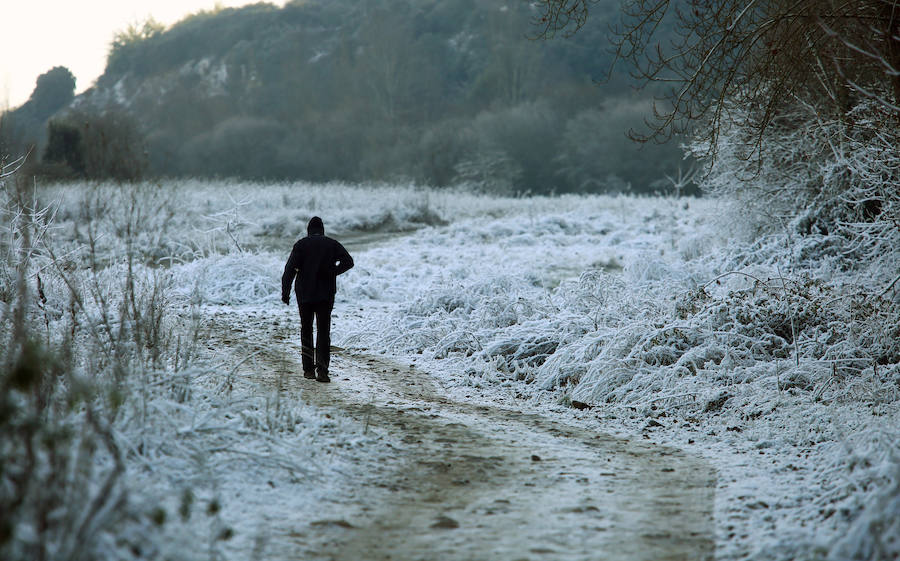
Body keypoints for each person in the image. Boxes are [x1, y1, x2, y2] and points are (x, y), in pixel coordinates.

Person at [281, 216, 354, 383]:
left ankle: (308, 370)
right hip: (325, 294)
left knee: (306, 329)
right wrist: (332, 272)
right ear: (322, 230)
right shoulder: (331, 243)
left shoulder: (301, 244)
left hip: (304, 294)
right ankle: (322, 371)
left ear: (308, 230)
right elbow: (349, 262)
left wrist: (285, 292)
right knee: (323, 331)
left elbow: (289, 269)